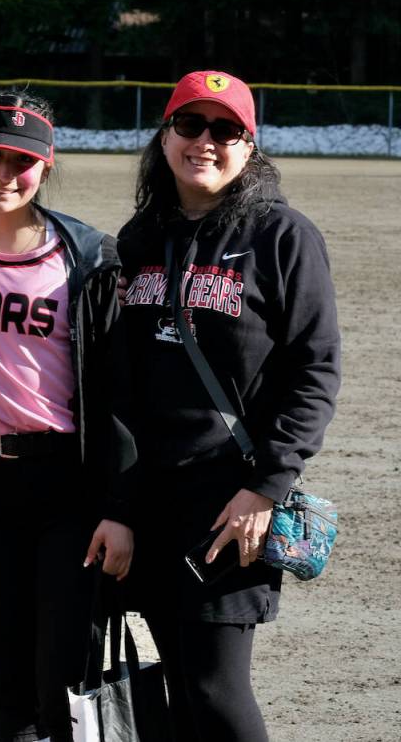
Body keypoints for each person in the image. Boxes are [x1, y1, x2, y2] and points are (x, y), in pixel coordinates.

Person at [117, 70, 341, 741]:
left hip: (230, 502)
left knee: (216, 687)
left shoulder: (282, 237)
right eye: (190, 125)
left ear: (250, 147)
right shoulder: (138, 238)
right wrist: (119, 504)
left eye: (225, 130)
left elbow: (315, 369)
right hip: (152, 500)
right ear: (165, 138)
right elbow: (121, 381)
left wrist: (265, 487)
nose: (205, 142)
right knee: (176, 688)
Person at [0, 89, 135, 742]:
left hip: (65, 491)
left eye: (20, 161)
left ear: (46, 164)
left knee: (67, 680)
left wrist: (118, 506)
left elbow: (119, 394)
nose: (2, 175)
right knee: (9, 680)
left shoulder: (86, 258)